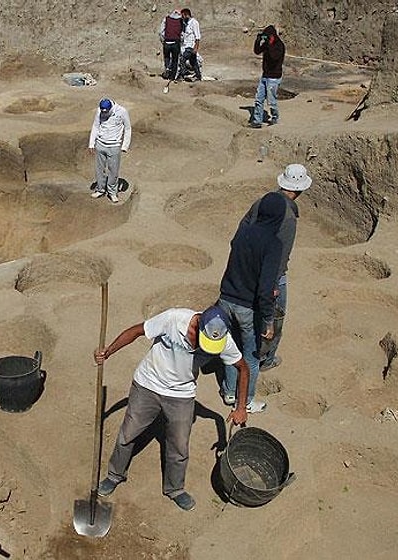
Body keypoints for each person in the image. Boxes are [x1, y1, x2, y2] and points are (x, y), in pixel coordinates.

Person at [93, 306, 250, 511]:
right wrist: (108, 352)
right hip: (147, 384)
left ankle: (175, 489)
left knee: (179, 446)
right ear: (198, 324)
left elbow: (243, 368)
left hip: (181, 395)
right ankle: (114, 475)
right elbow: (136, 331)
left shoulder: (224, 340)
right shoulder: (173, 319)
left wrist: (240, 408)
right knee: (128, 434)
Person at [216, 192, 287, 414]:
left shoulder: (243, 231)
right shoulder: (273, 243)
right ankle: (245, 400)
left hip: (226, 300)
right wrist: (267, 320)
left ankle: (229, 391)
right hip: (248, 307)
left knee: (231, 349)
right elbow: (266, 288)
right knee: (251, 356)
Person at [253, 163, 311, 372]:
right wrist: (275, 282)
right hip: (272, 275)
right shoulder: (288, 217)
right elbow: (281, 254)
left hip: (252, 267)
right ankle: (265, 359)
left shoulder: (262, 202)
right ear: (300, 189)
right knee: (273, 319)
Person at [88, 98, 132, 204]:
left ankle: (112, 192)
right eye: (103, 111)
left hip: (114, 145)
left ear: (111, 108)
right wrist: (91, 143)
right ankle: (100, 189)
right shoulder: (100, 110)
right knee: (99, 169)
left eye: (106, 111)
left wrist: (125, 145)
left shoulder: (122, 111)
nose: (104, 113)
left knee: (113, 170)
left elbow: (127, 128)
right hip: (100, 144)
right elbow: (95, 126)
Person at [249, 24, 285, 128]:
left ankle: (274, 117)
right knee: (258, 98)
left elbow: (274, 57)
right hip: (265, 76)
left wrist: (269, 44)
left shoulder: (279, 45)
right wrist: (258, 40)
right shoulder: (267, 44)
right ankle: (257, 121)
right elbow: (257, 51)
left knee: (271, 100)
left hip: (274, 77)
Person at [178, 8, 202, 82]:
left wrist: (196, 48)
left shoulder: (194, 23)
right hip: (186, 46)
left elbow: (197, 37)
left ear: (186, 15)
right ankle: (198, 76)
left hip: (190, 46)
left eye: (183, 16)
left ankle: (184, 74)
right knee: (193, 62)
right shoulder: (186, 23)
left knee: (182, 60)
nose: (182, 17)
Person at [158, 9, 183, 79]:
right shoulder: (180, 20)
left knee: (166, 57)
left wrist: (163, 40)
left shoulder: (166, 19)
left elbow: (161, 31)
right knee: (175, 60)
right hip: (176, 42)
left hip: (167, 42)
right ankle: (172, 76)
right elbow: (182, 32)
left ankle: (167, 71)